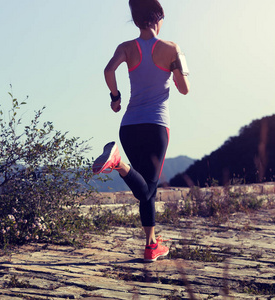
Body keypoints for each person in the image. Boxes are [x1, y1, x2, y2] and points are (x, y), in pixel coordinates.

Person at [93, 0, 190, 262]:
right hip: (156, 125)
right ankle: (118, 163)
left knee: (147, 187)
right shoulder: (171, 48)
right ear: (159, 18)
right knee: (148, 188)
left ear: (135, 21)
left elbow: (108, 70)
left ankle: (151, 245)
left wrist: (115, 97)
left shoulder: (126, 48)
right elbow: (184, 89)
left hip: (129, 126)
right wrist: (175, 67)